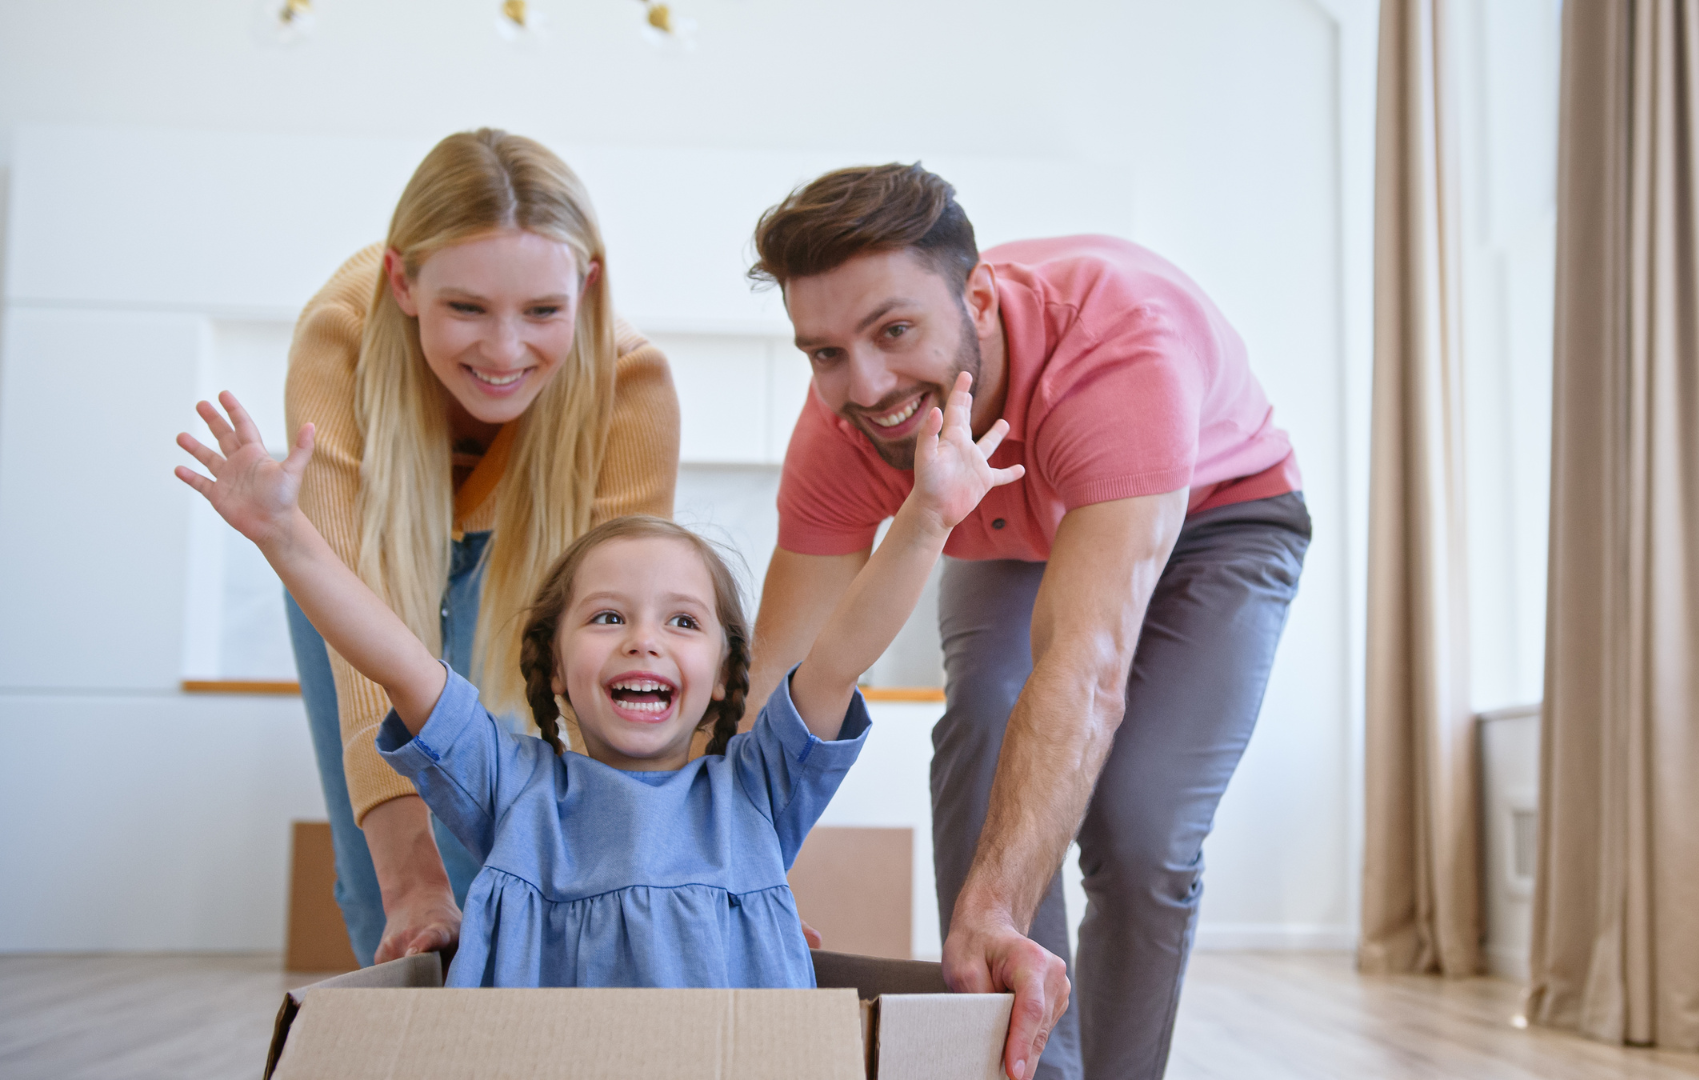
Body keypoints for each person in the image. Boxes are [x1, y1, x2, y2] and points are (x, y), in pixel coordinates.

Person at [742, 164, 1311, 1080]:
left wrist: (997, 903)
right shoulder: (847, 421)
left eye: (894, 330)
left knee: (1139, 828)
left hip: (1220, 519)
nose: (869, 385)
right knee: (979, 726)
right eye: (826, 352)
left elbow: (1083, 669)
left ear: (978, 294)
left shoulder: (1118, 347)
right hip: (1010, 529)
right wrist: (719, 876)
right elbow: (779, 675)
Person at [174, 379, 1020, 986]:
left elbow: (838, 651)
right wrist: (284, 534)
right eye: (608, 618)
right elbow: (395, 657)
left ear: (727, 674)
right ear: (551, 665)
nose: (644, 643)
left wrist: (926, 520)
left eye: (682, 622)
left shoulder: (756, 792)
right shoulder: (513, 788)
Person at [283, 129, 679, 967]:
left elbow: (624, 666)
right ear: (404, 282)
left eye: (543, 312)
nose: (504, 353)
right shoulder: (340, 339)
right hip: (365, 542)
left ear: (587, 286)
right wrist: (410, 883)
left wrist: (702, 872)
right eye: (466, 308)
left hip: (526, 544)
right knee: (387, 880)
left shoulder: (631, 386)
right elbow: (366, 661)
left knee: (491, 844)